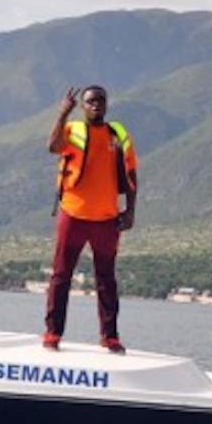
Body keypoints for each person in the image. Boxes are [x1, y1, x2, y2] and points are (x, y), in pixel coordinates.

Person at [43, 85, 138, 354]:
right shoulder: (73, 130)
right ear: (83, 106)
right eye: (90, 101)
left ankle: (110, 337)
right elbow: (52, 146)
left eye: (101, 101)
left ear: (107, 105)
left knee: (107, 279)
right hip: (72, 214)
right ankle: (52, 334)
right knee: (61, 276)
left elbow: (131, 176)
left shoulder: (118, 134)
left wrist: (130, 211)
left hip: (106, 219)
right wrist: (62, 113)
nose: (96, 105)